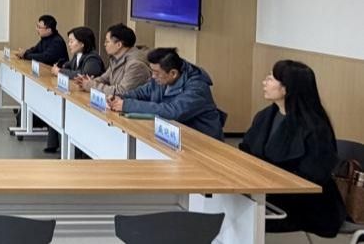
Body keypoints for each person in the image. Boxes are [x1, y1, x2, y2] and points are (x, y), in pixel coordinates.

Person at [239, 60, 346, 237]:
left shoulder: (315, 128)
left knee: (238, 216)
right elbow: (246, 150)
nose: (264, 82)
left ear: (286, 89)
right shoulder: (265, 115)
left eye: (271, 78)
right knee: (229, 206)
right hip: (267, 194)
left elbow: (312, 177)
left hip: (303, 206)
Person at [108, 47, 227, 140]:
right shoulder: (161, 79)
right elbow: (141, 93)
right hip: (177, 138)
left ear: (173, 73)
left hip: (204, 142)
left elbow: (173, 112)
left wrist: (126, 105)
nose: (153, 76)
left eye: (156, 73)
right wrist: (119, 97)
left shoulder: (197, 88)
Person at [45, 26, 105, 153]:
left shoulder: (92, 59)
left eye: (72, 41)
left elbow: (82, 76)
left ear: (82, 43)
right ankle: (54, 145)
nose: (69, 44)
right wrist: (62, 67)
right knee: (55, 105)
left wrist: (60, 71)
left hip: (90, 100)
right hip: (79, 94)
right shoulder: (77, 55)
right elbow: (70, 68)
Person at [76, 23, 150, 97]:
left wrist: (92, 86)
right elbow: (104, 79)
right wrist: (87, 82)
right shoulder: (116, 59)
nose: (105, 44)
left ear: (119, 45)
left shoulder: (136, 65)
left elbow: (122, 92)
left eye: (107, 41)